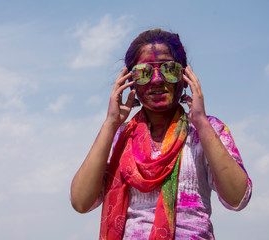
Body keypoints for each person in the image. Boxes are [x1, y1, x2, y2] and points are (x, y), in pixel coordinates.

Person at [70, 29, 252, 240]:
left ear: (185, 78)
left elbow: (237, 198)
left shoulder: (206, 131)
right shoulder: (119, 136)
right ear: (130, 81)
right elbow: (81, 202)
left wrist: (201, 121)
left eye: (169, 69)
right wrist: (111, 123)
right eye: (144, 72)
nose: (156, 80)